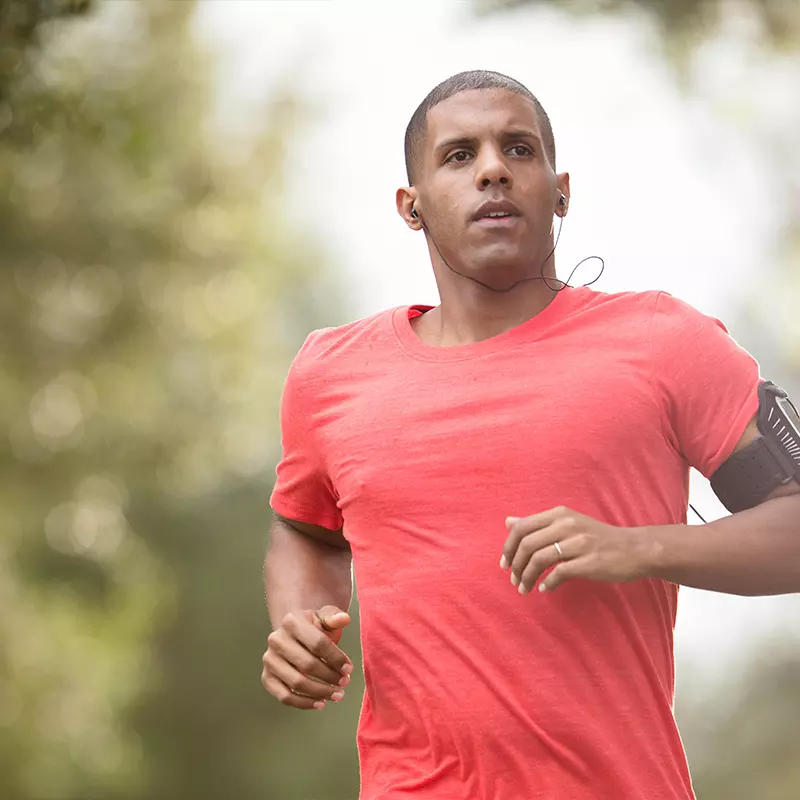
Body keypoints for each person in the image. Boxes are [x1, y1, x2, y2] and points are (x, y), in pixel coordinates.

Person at [261, 70, 800, 799]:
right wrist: (300, 621)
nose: (492, 168)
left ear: (560, 191)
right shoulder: (330, 373)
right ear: (410, 207)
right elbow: (306, 530)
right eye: (458, 155)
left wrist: (637, 546)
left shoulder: (663, 341)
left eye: (518, 149)